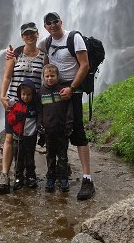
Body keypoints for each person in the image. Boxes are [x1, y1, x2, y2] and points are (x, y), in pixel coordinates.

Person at [6, 12, 95, 200]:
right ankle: (57, 172)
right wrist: (12, 53)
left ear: (61, 22)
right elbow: (30, 48)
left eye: (55, 21)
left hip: (72, 92)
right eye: (49, 23)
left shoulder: (74, 38)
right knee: (54, 133)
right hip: (53, 93)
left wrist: (71, 88)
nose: (53, 25)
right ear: (45, 27)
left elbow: (85, 65)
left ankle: (87, 178)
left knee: (77, 133)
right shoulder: (46, 43)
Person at [0, 22, 48, 194]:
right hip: (13, 103)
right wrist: (2, 96)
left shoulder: (43, 56)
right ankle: (5, 174)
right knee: (10, 138)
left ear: (37, 34)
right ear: (22, 37)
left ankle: (27, 174)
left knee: (28, 139)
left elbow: (46, 79)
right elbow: (6, 77)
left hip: (32, 106)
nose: (29, 36)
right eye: (26, 34)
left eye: (32, 33)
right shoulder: (14, 55)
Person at [37, 64, 73, 193]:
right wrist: (39, 125)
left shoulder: (63, 90)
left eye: (52, 76)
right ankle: (50, 178)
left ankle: (64, 179)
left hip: (62, 131)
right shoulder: (41, 92)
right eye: (47, 76)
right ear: (43, 77)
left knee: (63, 157)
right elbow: (39, 111)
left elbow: (69, 109)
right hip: (48, 132)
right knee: (50, 156)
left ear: (57, 76)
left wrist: (69, 125)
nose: (49, 78)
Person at [7, 79, 38, 190]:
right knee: (19, 158)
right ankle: (18, 177)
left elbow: (38, 119)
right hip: (18, 136)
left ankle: (31, 176)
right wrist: (16, 117)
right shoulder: (16, 106)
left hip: (31, 137)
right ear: (20, 94)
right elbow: (10, 119)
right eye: (23, 94)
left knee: (30, 157)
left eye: (29, 95)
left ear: (33, 95)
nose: (26, 97)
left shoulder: (35, 107)